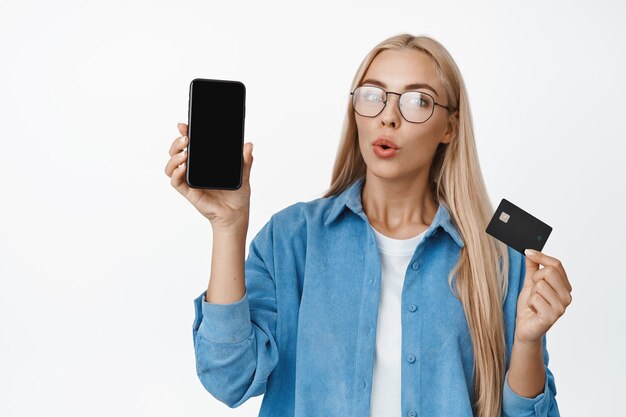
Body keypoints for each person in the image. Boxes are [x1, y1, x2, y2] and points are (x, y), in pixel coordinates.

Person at [164, 33, 572, 417]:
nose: (388, 118)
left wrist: (527, 341)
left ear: (449, 126)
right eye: (373, 96)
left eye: (418, 101)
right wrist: (228, 225)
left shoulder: (499, 257)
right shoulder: (291, 239)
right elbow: (228, 378)